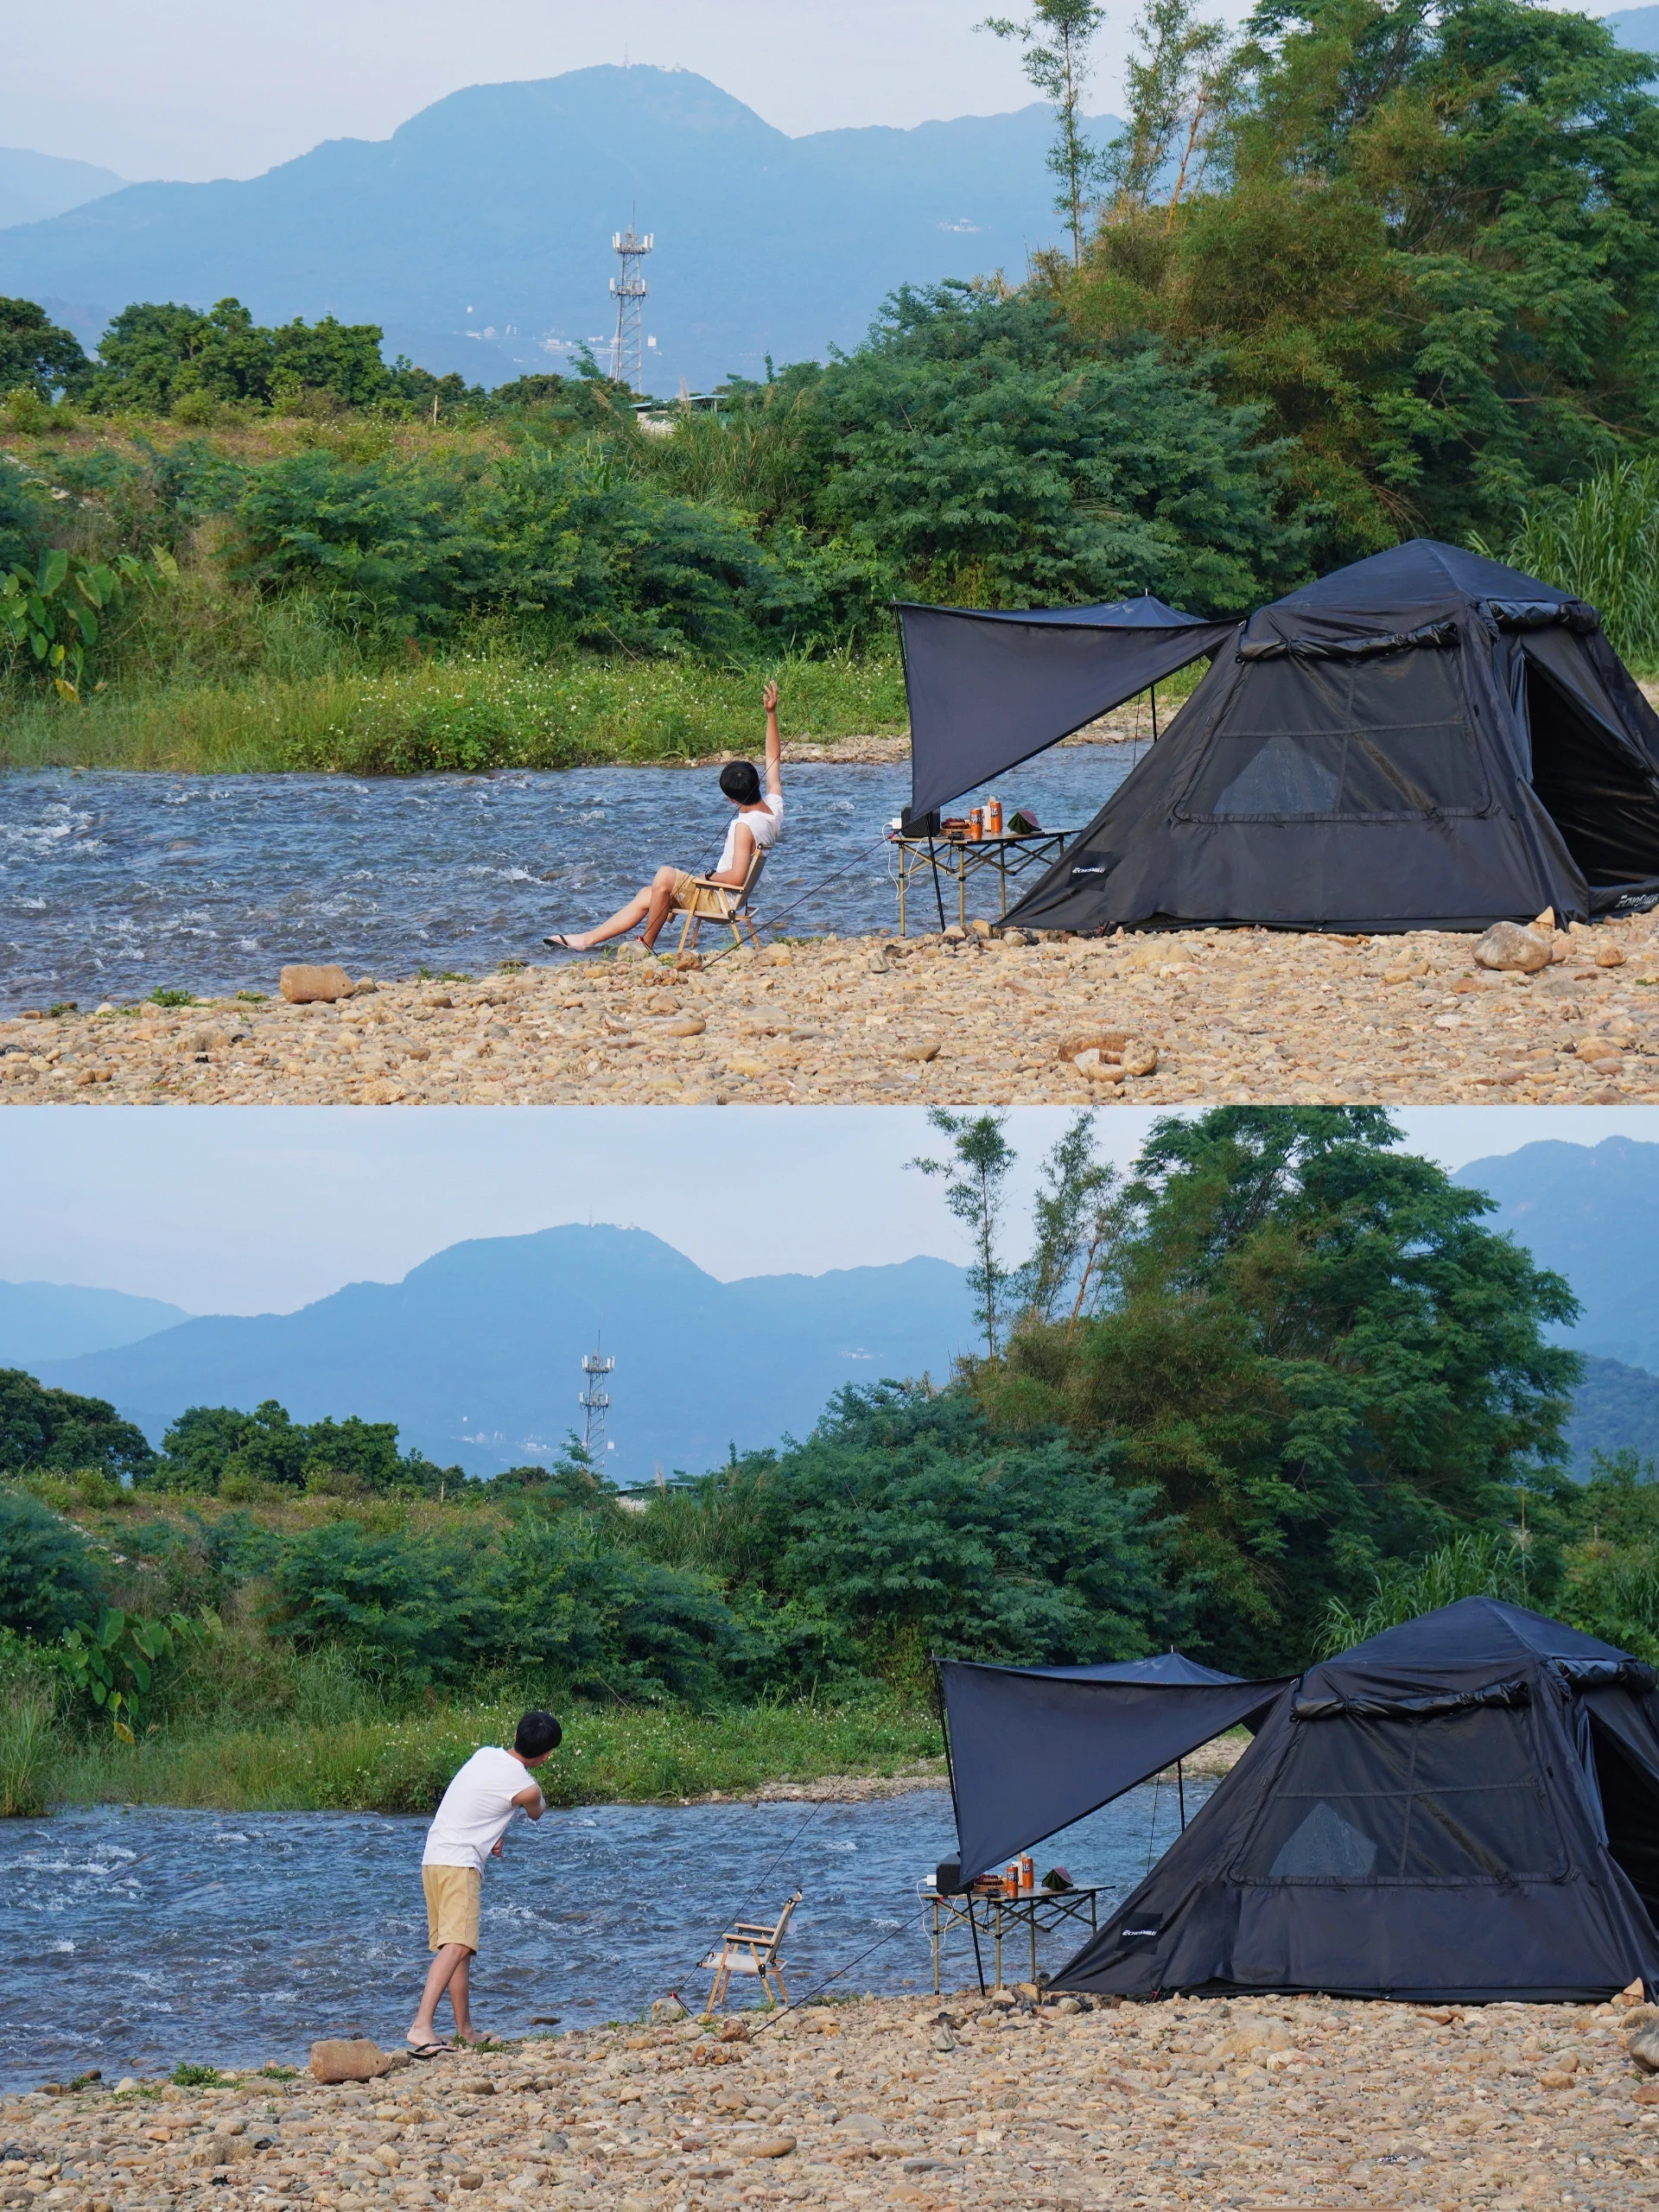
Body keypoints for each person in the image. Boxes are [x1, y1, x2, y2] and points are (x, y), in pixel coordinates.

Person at [545, 680, 783, 952]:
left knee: (665, 876)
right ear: (756, 782)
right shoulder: (774, 808)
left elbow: (738, 877)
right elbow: (773, 759)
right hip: (725, 898)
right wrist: (771, 715)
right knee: (647, 895)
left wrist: (707, 877)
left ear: (731, 799)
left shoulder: (745, 827)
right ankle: (584, 941)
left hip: (719, 900)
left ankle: (646, 944)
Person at [406, 1709, 562, 2054]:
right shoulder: (526, 1786)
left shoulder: (484, 1755)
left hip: (433, 1858)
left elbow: (473, 1800)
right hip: (460, 1865)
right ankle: (421, 2027)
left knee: (458, 1948)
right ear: (547, 1755)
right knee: (459, 1945)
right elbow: (537, 1811)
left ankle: (465, 2031)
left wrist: (490, 1832)